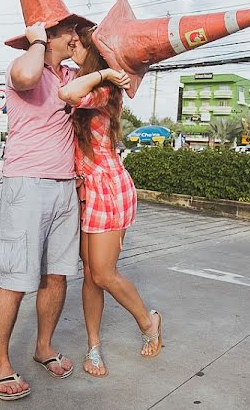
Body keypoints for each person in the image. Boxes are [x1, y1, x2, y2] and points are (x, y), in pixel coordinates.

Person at [0, 20, 82, 401]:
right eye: (68, 31)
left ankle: (43, 347)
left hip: (64, 185)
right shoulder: (25, 64)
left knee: (57, 276)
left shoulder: (68, 74)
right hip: (26, 185)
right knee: (16, 280)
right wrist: (37, 40)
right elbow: (24, 76)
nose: (76, 37)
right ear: (46, 37)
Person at [59, 26, 163, 378]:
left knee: (104, 273)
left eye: (77, 45)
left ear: (93, 53)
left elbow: (70, 94)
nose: (71, 48)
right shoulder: (85, 79)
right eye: (68, 43)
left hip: (107, 189)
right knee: (89, 276)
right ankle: (93, 347)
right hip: (84, 190)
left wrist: (102, 72)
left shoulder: (104, 88)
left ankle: (149, 322)